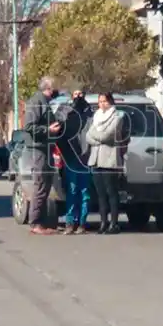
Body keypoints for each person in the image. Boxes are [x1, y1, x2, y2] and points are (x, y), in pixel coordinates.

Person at [23, 76, 62, 235]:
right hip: (38, 149)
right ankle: (35, 223)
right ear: (49, 88)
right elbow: (29, 126)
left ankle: (42, 221)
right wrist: (49, 130)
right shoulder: (36, 101)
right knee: (40, 185)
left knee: (46, 185)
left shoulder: (45, 101)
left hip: (46, 148)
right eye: (54, 87)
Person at [86, 92, 129, 234]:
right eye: (100, 102)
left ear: (110, 102)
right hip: (96, 159)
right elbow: (88, 136)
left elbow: (108, 135)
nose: (102, 104)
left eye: (105, 101)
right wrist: (96, 138)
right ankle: (103, 222)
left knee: (112, 192)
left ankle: (114, 223)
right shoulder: (96, 117)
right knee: (100, 194)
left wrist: (96, 138)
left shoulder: (117, 117)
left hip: (110, 159)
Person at [57, 90, 94, 234]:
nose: (78, 97)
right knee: (72, 191)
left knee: (85, 192)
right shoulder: (65, 110)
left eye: (81, 94)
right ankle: (70, 222)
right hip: (70, 157)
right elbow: (59, 128)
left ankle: (82, 223)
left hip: (85, 159)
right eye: (76, 94)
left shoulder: (90, 113)